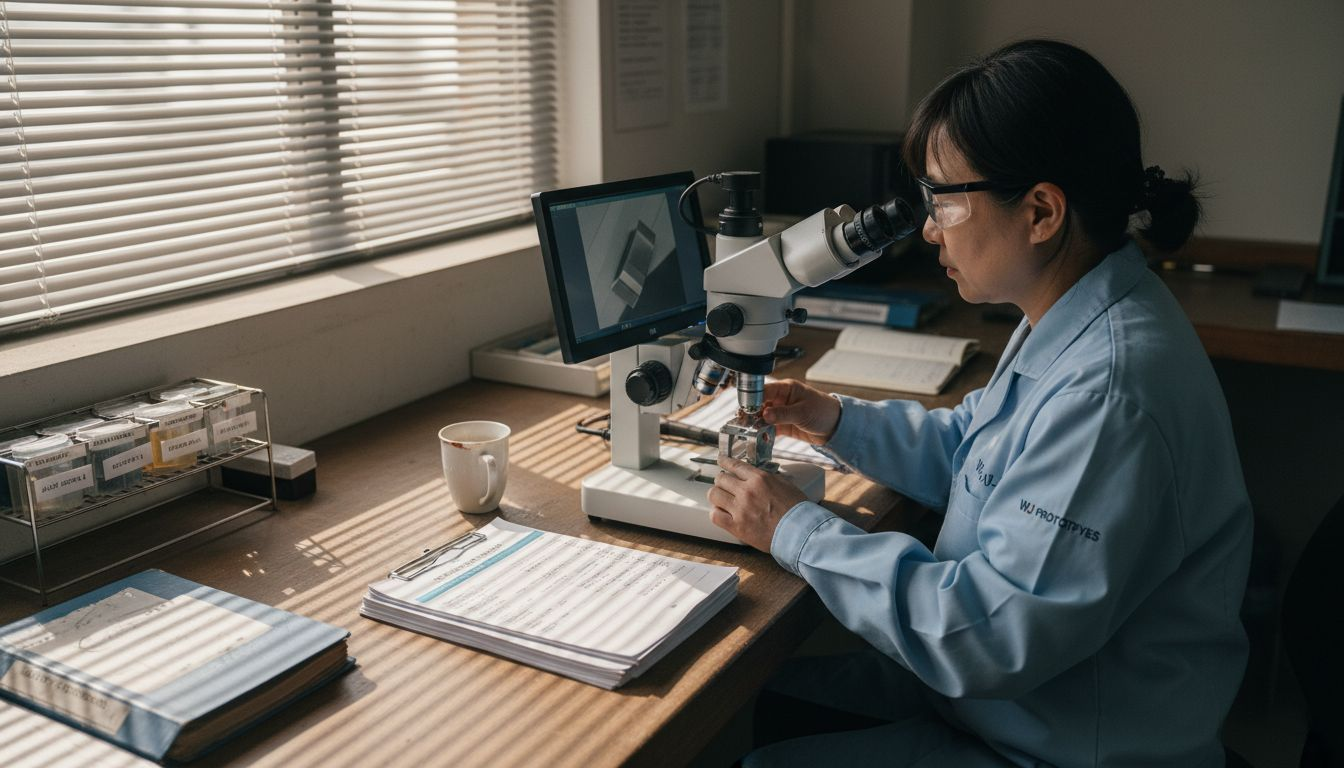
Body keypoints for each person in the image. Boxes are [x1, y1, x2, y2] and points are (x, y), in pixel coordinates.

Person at [709, 39, 1252, 767]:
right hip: (1017, 705)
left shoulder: (1108, 393)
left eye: (943, 201)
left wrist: (795, 528)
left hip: (1057, 743)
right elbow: (981, 451)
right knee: (764, 702)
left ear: (1040, 211)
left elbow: (986, 639)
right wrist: (834, 418)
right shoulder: (1079, 308)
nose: (930, 228)